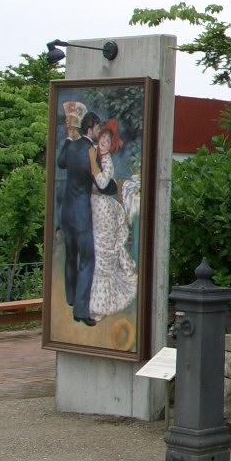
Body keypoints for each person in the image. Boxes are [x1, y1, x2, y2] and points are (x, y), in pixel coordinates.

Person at [88, 119, 138, 319]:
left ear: (112, 144)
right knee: (93, 255)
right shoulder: (94, 154)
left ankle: (101, 305)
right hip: (91, 207)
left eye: (108, 140)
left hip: (103, 210)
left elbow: (101, 183)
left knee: (103, 255)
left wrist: (92, 164)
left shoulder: (106, 162)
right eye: (103, 138)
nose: (104, 142)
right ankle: (93, 302)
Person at [58, 112, 100, 326]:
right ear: (90, 129)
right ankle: (81, 311)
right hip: (82, 212)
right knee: (87, 259)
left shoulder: (71, 146)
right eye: (98, 128)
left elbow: (60, 163)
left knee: (70, 255)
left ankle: (71, 299)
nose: (99, 132)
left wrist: (68, 138)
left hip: (66, 211)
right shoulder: (92, 151)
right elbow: (99, 180)